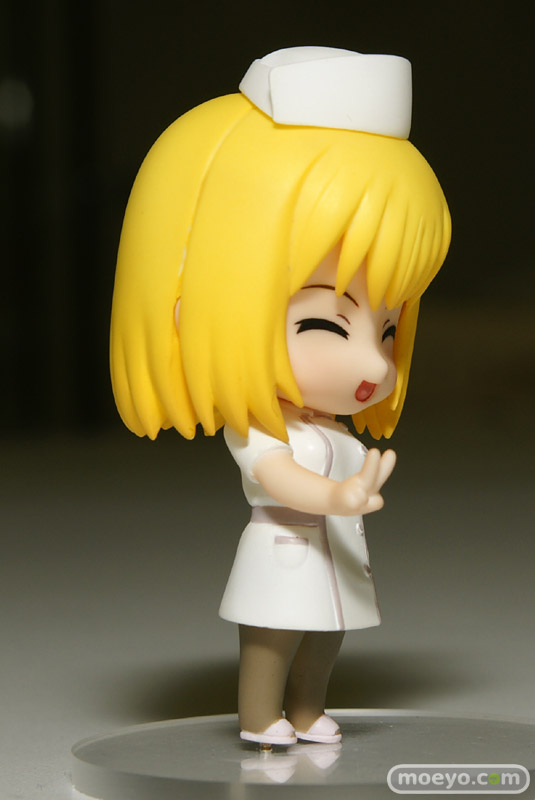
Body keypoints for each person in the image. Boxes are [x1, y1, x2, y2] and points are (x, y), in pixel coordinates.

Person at [110, 46, 451, 745]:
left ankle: (308, 709)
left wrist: (347, 495)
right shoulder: (262, 426)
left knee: (327, 636)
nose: (374, 361)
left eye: (388, 329)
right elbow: (276, 476)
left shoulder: (333, 428)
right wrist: (338, 496)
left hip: (335, 553)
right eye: (325, 324)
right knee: (271, 636)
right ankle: (261, 716)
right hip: (284, 550)